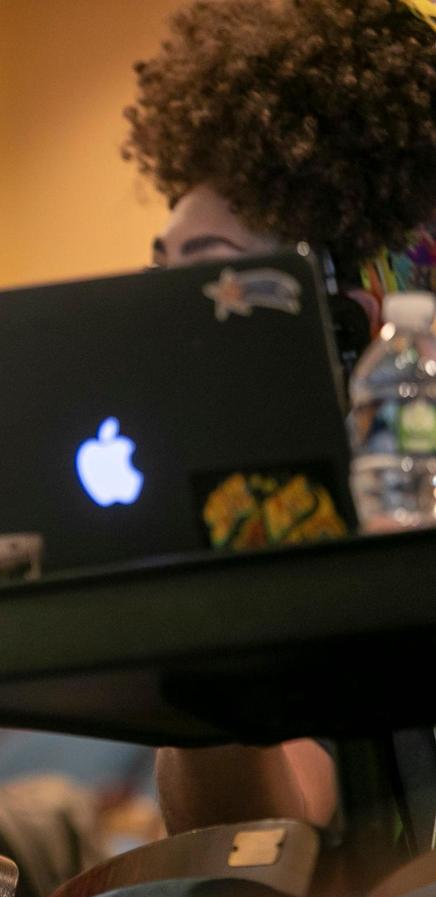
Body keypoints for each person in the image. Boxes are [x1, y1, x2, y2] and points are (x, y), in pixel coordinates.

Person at [121, 0, 436, 844]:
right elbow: (261, 838)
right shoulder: (267, 516)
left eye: (211, 274)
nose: (167, 312)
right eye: (161, 270)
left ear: (352, 308)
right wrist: (202, 636)